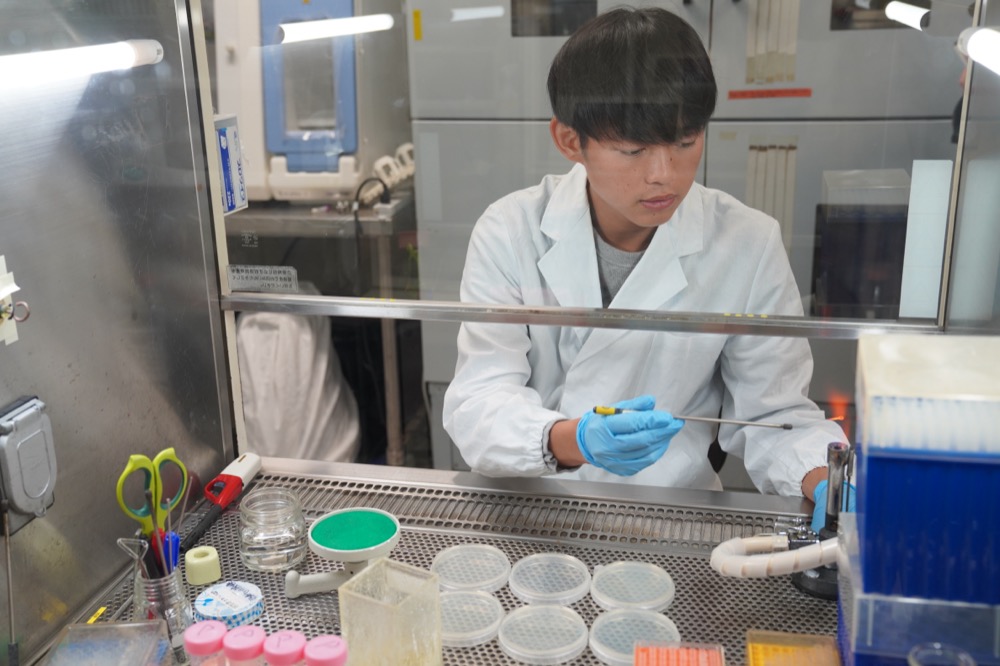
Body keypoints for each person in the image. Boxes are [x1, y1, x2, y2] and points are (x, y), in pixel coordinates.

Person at [442, 7, 850, 529]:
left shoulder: (746, 242)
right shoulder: (510, 230)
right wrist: (572, 440)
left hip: (668, 514)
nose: (664, 175)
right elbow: (480, 400)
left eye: (685, 142)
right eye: (632, 150)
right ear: (570, 141)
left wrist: (827, 481)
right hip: (530, 509)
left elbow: (774, 414)